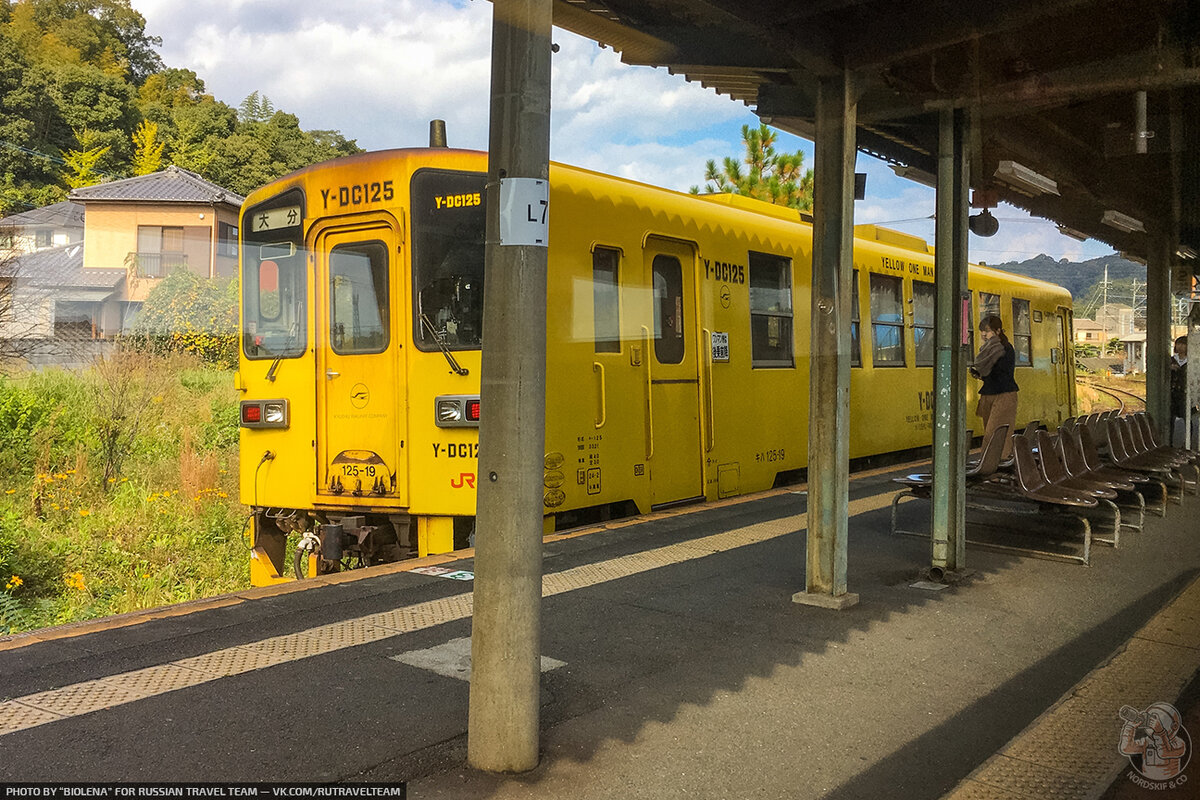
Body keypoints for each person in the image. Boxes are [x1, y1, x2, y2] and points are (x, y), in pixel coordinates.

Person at [968, 315, 1019, 460]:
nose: (984, 334)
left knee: (995, 433)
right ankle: (993, 466)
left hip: (1004, 394)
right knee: (990, 432)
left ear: (997, 331)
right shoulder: (986, 349)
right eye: (982, 331)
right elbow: (990, 373)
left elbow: (1002, 373)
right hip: (988, 394)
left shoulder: (1005, 348)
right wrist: (980, 374)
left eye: (987, 331)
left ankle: (993, 466)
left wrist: (983, 373)